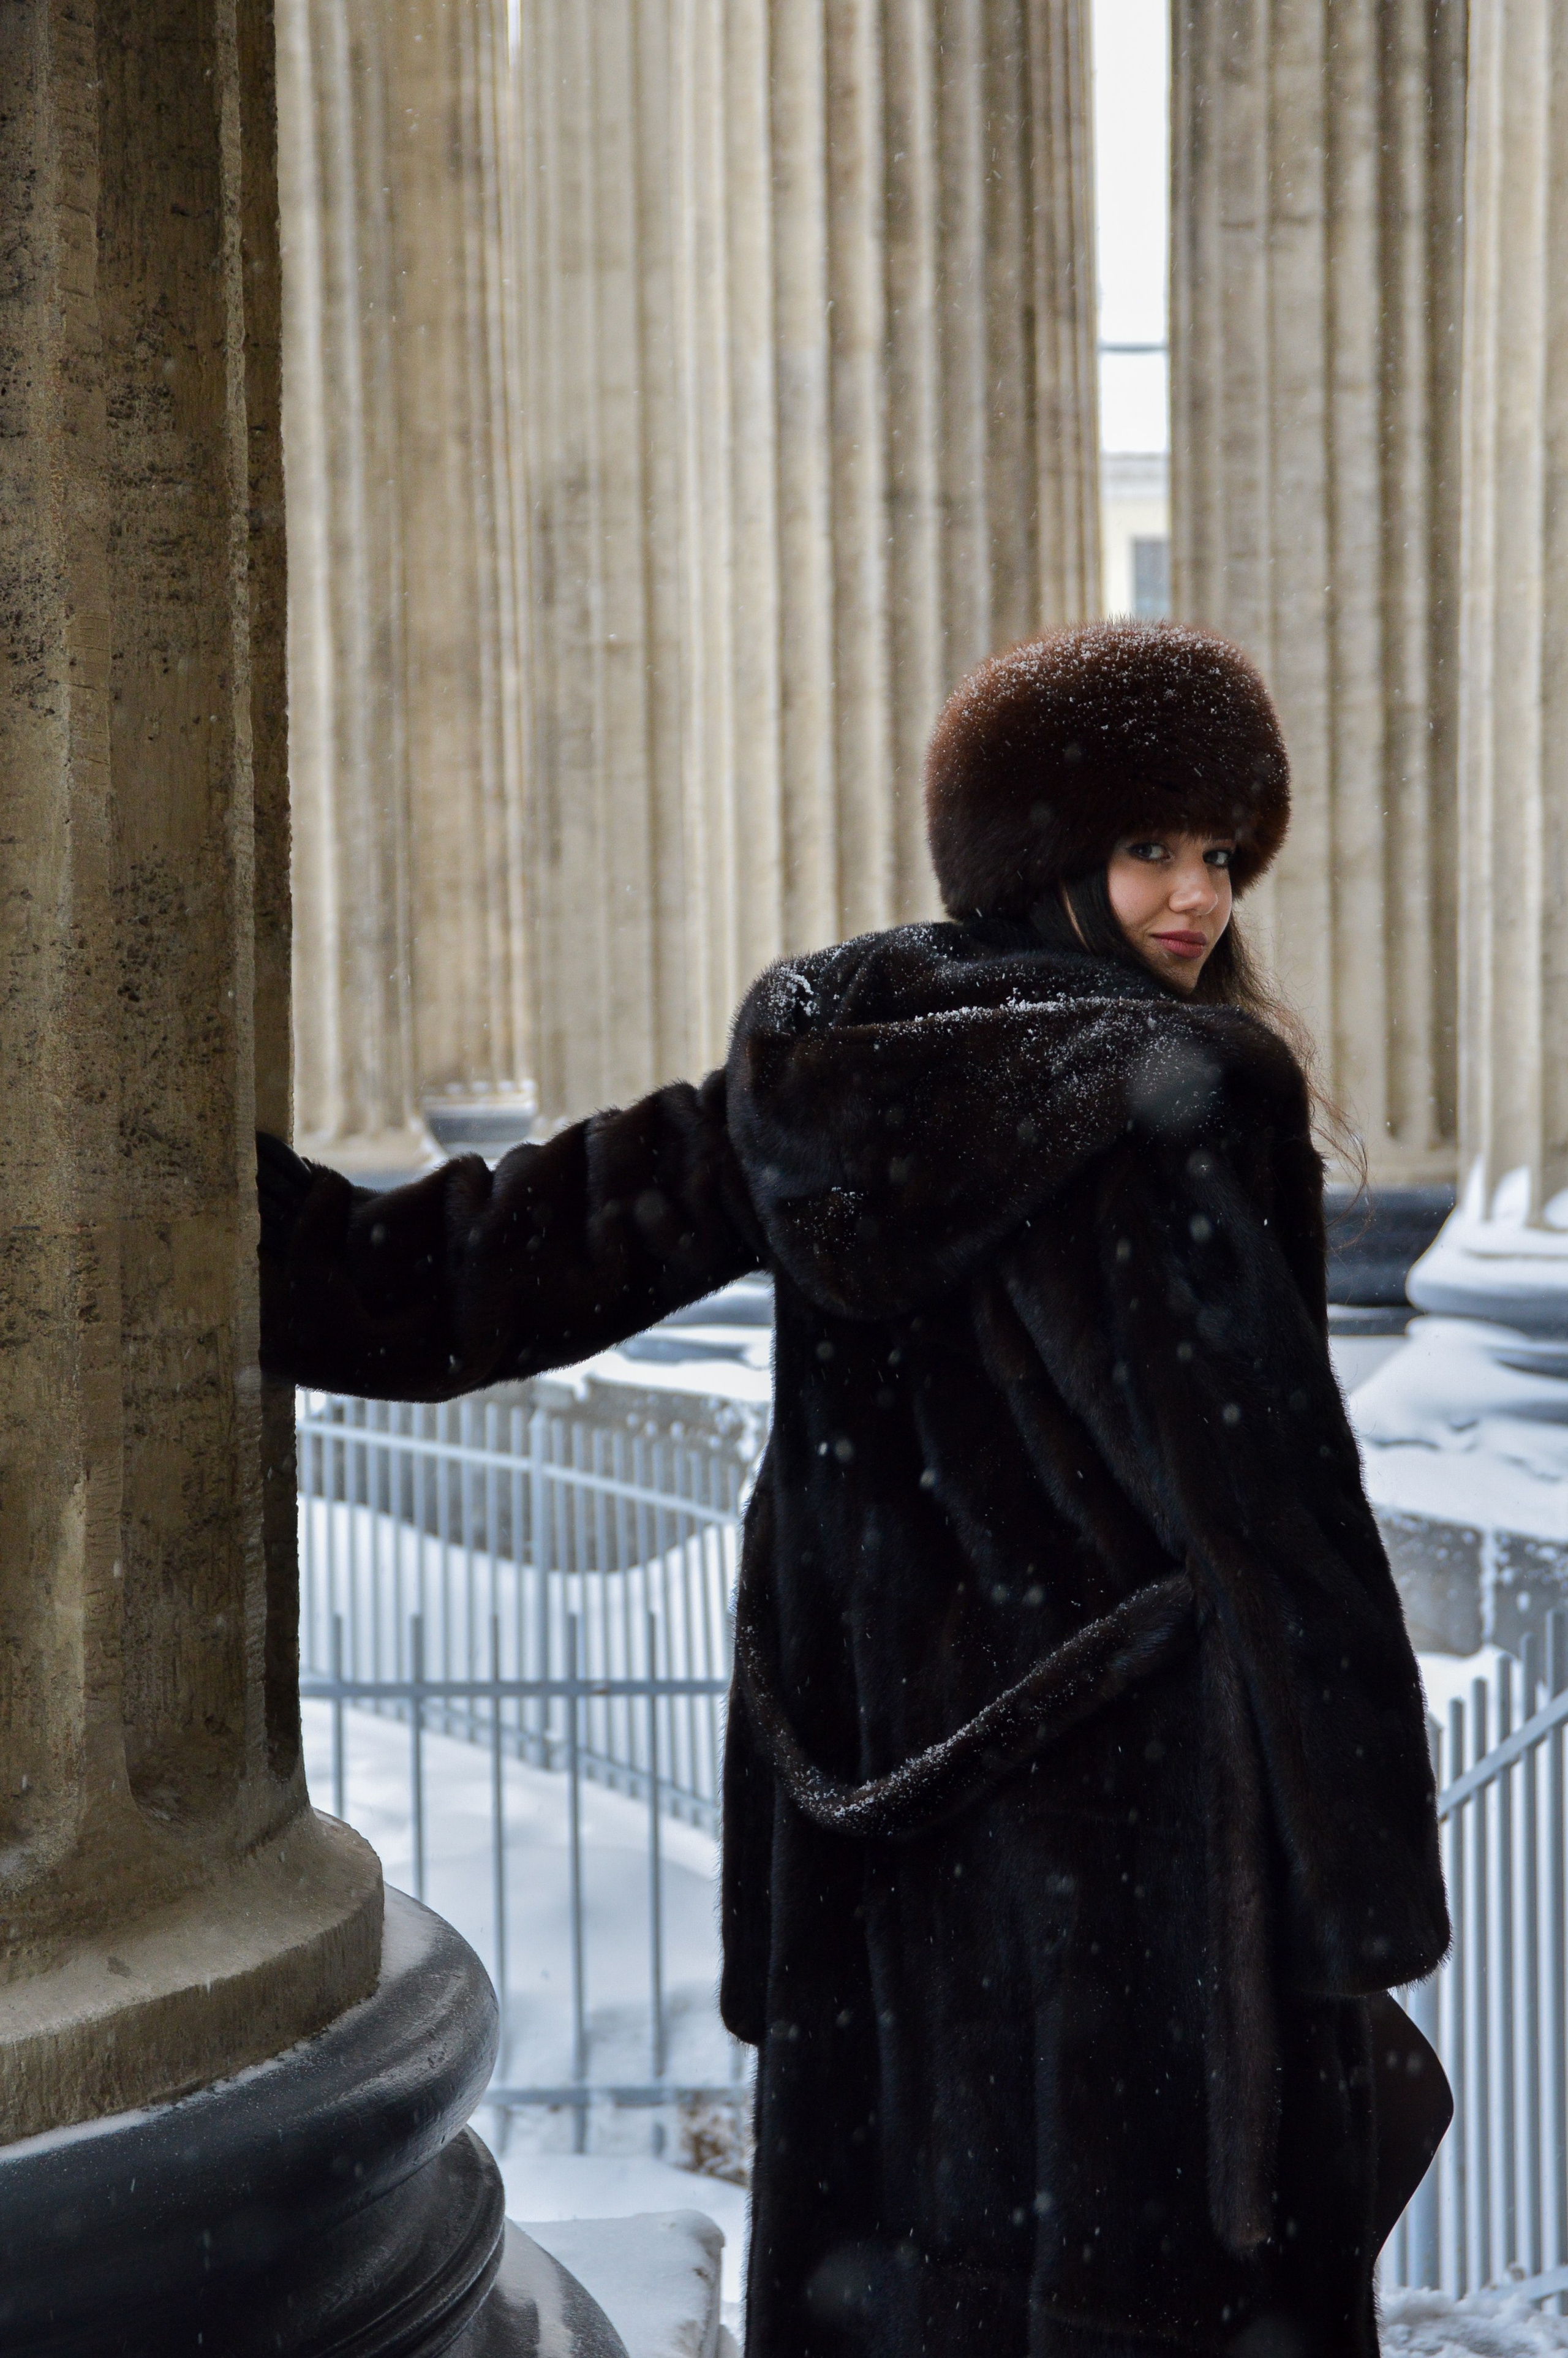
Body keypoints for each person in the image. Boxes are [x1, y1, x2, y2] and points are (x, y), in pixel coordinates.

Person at [259, 621, 1450, 2357]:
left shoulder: (829, 1057)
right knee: (1139, 2295)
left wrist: (201, 1198)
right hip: (1130, 1885)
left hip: (880, 1856)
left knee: (905, 2284)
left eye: (1219, 852)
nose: (1193, 897)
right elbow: (1283, 1532)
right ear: (1040, 848)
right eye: (1148, 846)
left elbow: (465, 1275)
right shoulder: (1179, 1096)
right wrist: (1360, 1899)